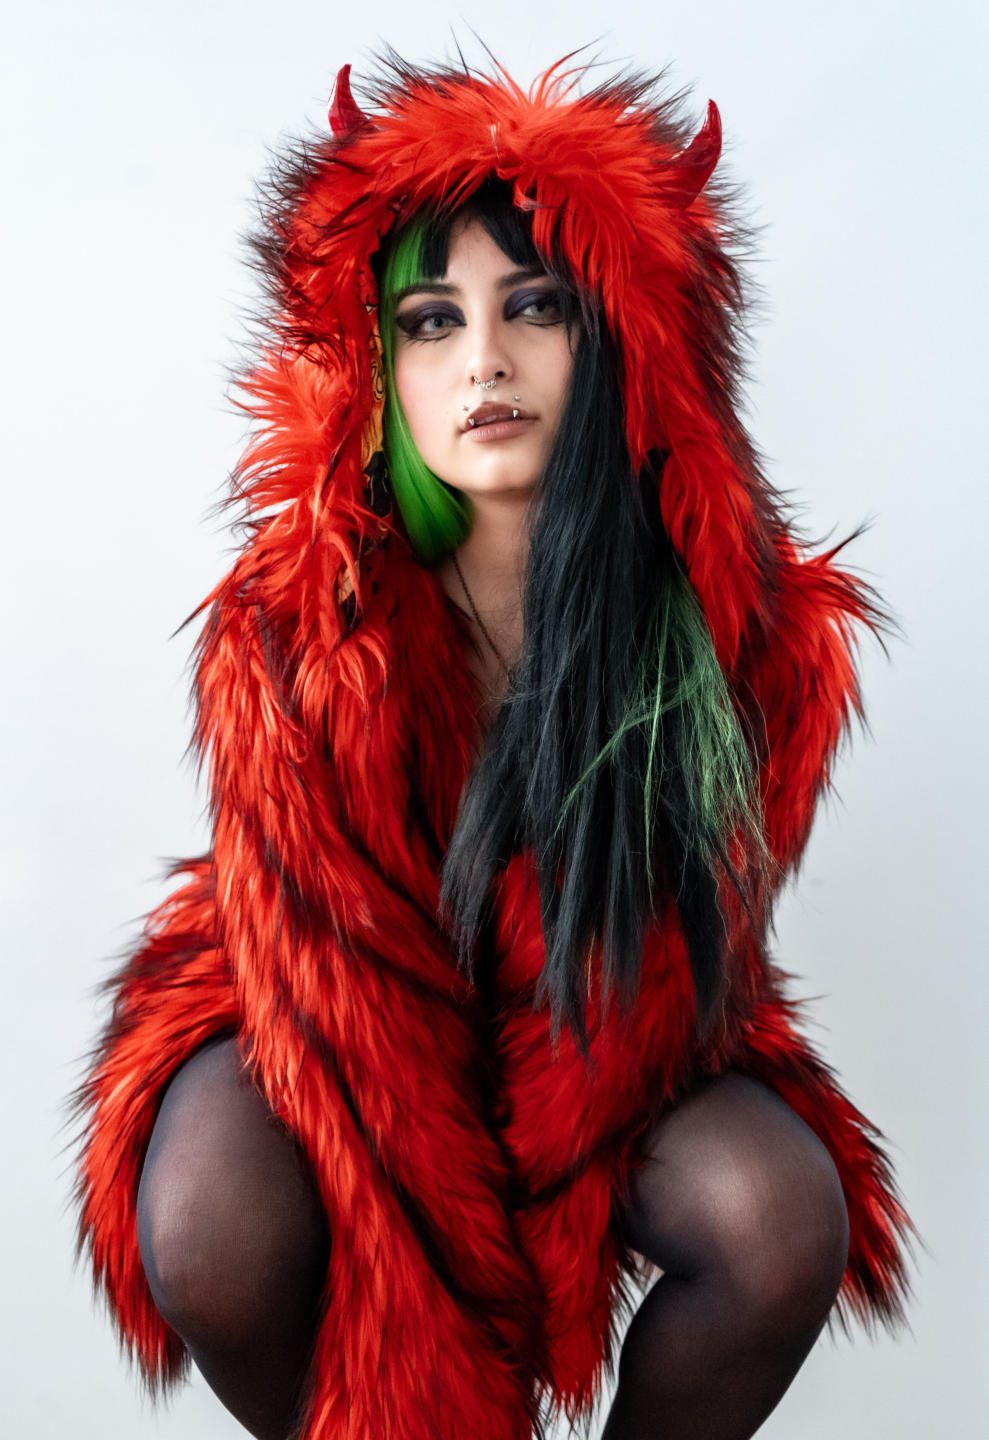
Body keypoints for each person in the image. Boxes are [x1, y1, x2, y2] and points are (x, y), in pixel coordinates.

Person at [74, 54, 916, 1440]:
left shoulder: (747, 650)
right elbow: (337, 998)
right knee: (212, 1222)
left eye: (535, 305)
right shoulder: (297, 634)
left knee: (773, 1217)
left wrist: (527, 1179)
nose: (482, 361)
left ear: (624, 338)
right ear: (374, 365)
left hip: (603, 1045)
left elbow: (665, 988)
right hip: (321, 1013)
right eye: (429, 320)